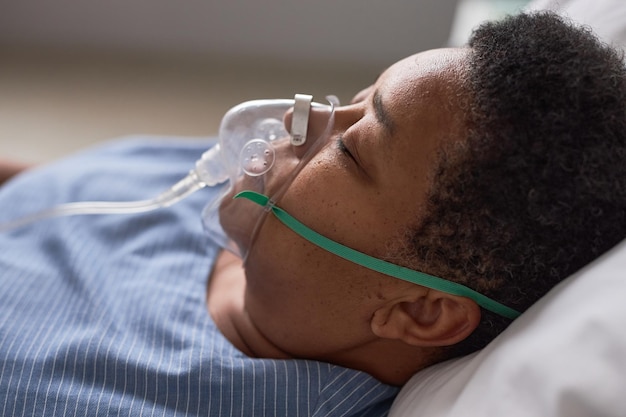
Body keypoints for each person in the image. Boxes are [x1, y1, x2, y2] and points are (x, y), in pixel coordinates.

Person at [0, 11, 624, 416]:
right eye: (355, 100)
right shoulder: (252, 225)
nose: (301, 119)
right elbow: (59, 194)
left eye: (351, 148)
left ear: (419, 309)